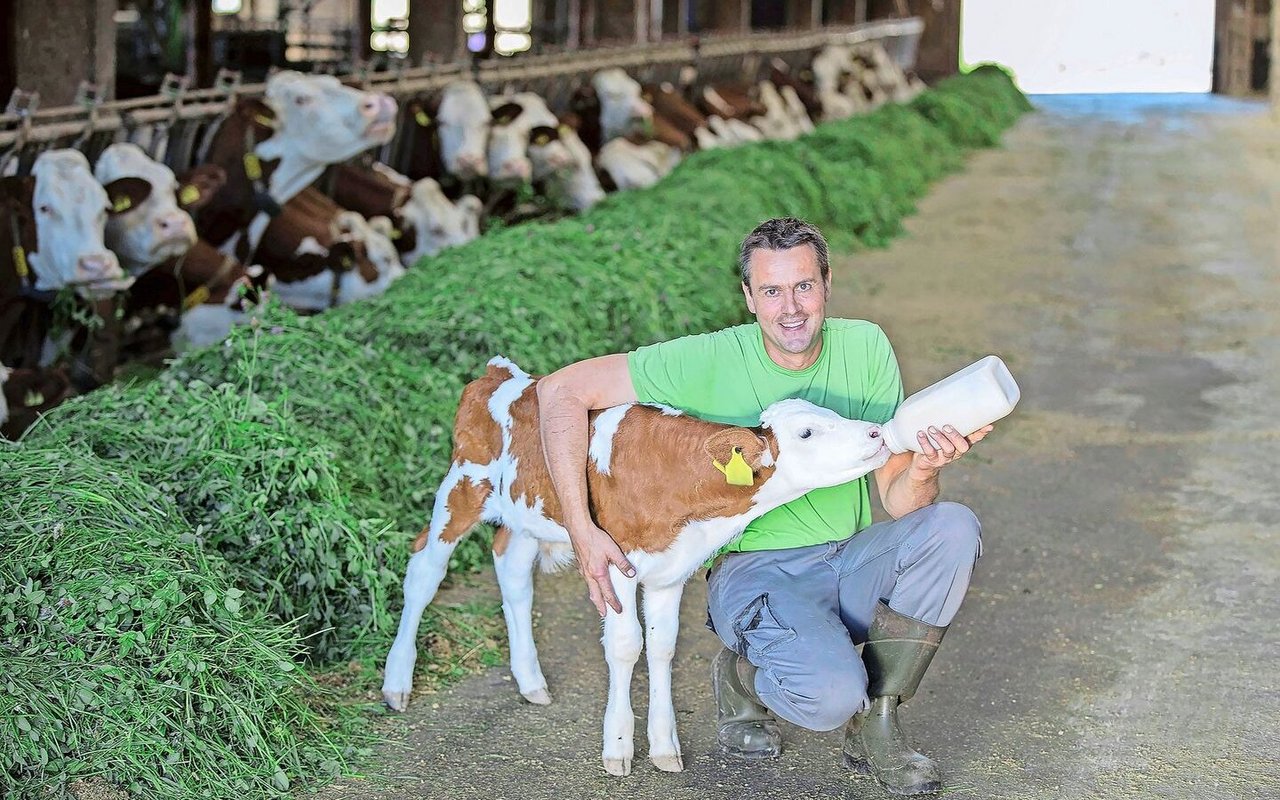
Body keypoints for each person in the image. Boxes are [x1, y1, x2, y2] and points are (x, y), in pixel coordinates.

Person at [536, 217, 990, 796]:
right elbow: (561, 391)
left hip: (847, 555)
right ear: (749, 298)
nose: (791, 308)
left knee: (951, 526)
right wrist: (580, 526)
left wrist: (923, 468)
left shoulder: (866, 346)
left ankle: (878, 721)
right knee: (828, 698)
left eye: (804, 286)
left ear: (827, 282)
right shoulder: (707, 361)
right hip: (755, 574)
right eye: (772, 291)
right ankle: (745, 678)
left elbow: (900, 500)